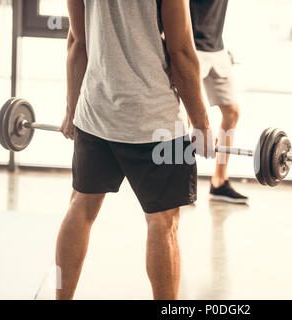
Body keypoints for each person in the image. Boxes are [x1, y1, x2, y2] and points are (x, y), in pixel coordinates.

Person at [57, 0, 215, 300]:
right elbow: (181, 53)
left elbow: (77, 42)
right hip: (157, 125)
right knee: (163, 222)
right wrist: (202, 125)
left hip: (96, 114)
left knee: (80, 207)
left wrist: (72, 109)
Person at [190, 0, 248, 204]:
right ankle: (182, 184)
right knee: (184, 119)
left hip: (217, 48)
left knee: (232, 111)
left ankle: (219, 182)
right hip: (190, 47)